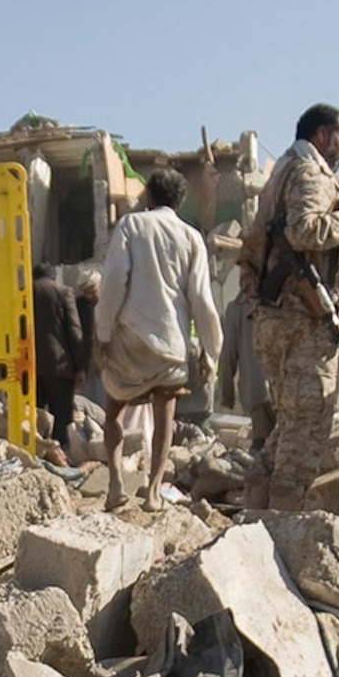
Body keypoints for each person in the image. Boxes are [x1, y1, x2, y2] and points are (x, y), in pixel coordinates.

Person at [245, 104, 339, 509]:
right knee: (307, 429)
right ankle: (282, 523)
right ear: (321, 135)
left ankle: (255, 505)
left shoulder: (283, 170)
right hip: (302, 320)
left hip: (279, 317)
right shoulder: (309, 172)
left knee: (292, 422)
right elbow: (304, 230)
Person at [95, 168, 226, 507]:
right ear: (179, 201)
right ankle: (154, 492)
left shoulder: (131, 225)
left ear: (149, 197)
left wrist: (103, 333)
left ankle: (115, 485)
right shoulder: (191, 237)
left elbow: (113, 282)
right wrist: (210, 351)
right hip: (172, 344)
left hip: (130, 338)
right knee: (164, 416)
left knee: (114, 411)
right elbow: (201, 298)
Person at [32, 261, 89, 460]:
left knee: (35, 412)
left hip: (30, 363)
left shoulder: (24, 292)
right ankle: (60, 455)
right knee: (62, 415)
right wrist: (80, 366)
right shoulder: (63, 292)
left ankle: (36, 451)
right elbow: (74, 330)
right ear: (53, 276)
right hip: (59, 363)